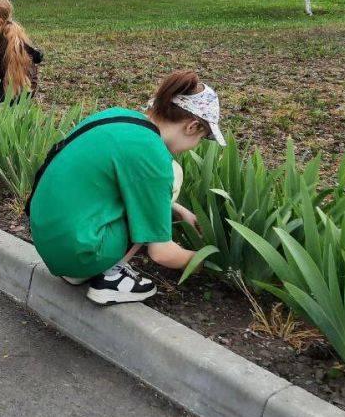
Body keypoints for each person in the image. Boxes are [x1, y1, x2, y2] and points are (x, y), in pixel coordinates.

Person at [28, 71, 226, 306]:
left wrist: (174, 209)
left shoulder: (119, 117)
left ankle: (78, 270)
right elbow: (161, 253)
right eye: (202, 137)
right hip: (76, 253)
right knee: (173, 173)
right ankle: (110, 278)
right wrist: (211, 263)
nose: (195, 145)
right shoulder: (153, 155)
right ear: (193, 126)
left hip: (47, 237)